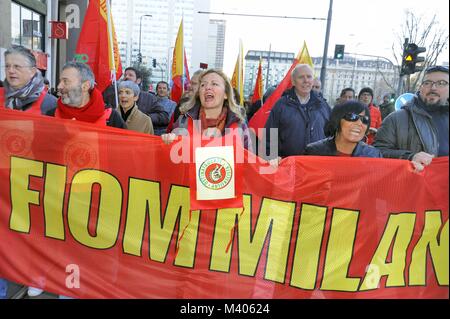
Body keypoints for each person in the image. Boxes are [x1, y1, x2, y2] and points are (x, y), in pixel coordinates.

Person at [374, 65, 449, 172]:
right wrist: (409, 157)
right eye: (427, 83)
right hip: (411, 185)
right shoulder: (395, 119)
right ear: (421, 87)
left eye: (441, 83)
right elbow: (376, 153)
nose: (433, 88)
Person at [162, 69, 252, 150]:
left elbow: (249, 160)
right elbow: (171, 157)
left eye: (214, 84)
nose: (207, 87)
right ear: (199, 93)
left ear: (226, 94)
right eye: (203, 85)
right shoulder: (184, 121)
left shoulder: (239, 125)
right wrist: (169, 142)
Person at [264, 64, 331, 161]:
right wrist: (271, 159)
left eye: (309, 76)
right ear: (293, 82)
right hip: (289, 165)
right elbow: (269, 135)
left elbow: (332, 134)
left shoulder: (322, 105)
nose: (306, 80)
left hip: (317, 166)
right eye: (301, 77)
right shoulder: (282, 105)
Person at [49, 61, 126, 128]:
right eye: (60, 81)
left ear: (85, 86)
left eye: (65, 81)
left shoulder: (112, 119)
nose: (59, 86)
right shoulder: (51, 115)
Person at [305, 100, 382, 157]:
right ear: (337, 120)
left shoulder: (373, 155)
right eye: (352, 117)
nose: (359, 123)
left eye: (365, 119)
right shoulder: (314, 152)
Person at [103, 67, 168, 127]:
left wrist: (145, 117)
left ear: (138, 81)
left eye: (130, 75)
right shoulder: (114, 96)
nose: (126, 77)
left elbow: (164, 116)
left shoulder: (149, 98)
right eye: (125, 75)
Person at [1, 45, 56, 114]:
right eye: (7, 66)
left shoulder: (49, 103)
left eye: (17, 66)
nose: (11, 71)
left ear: (32, 71)